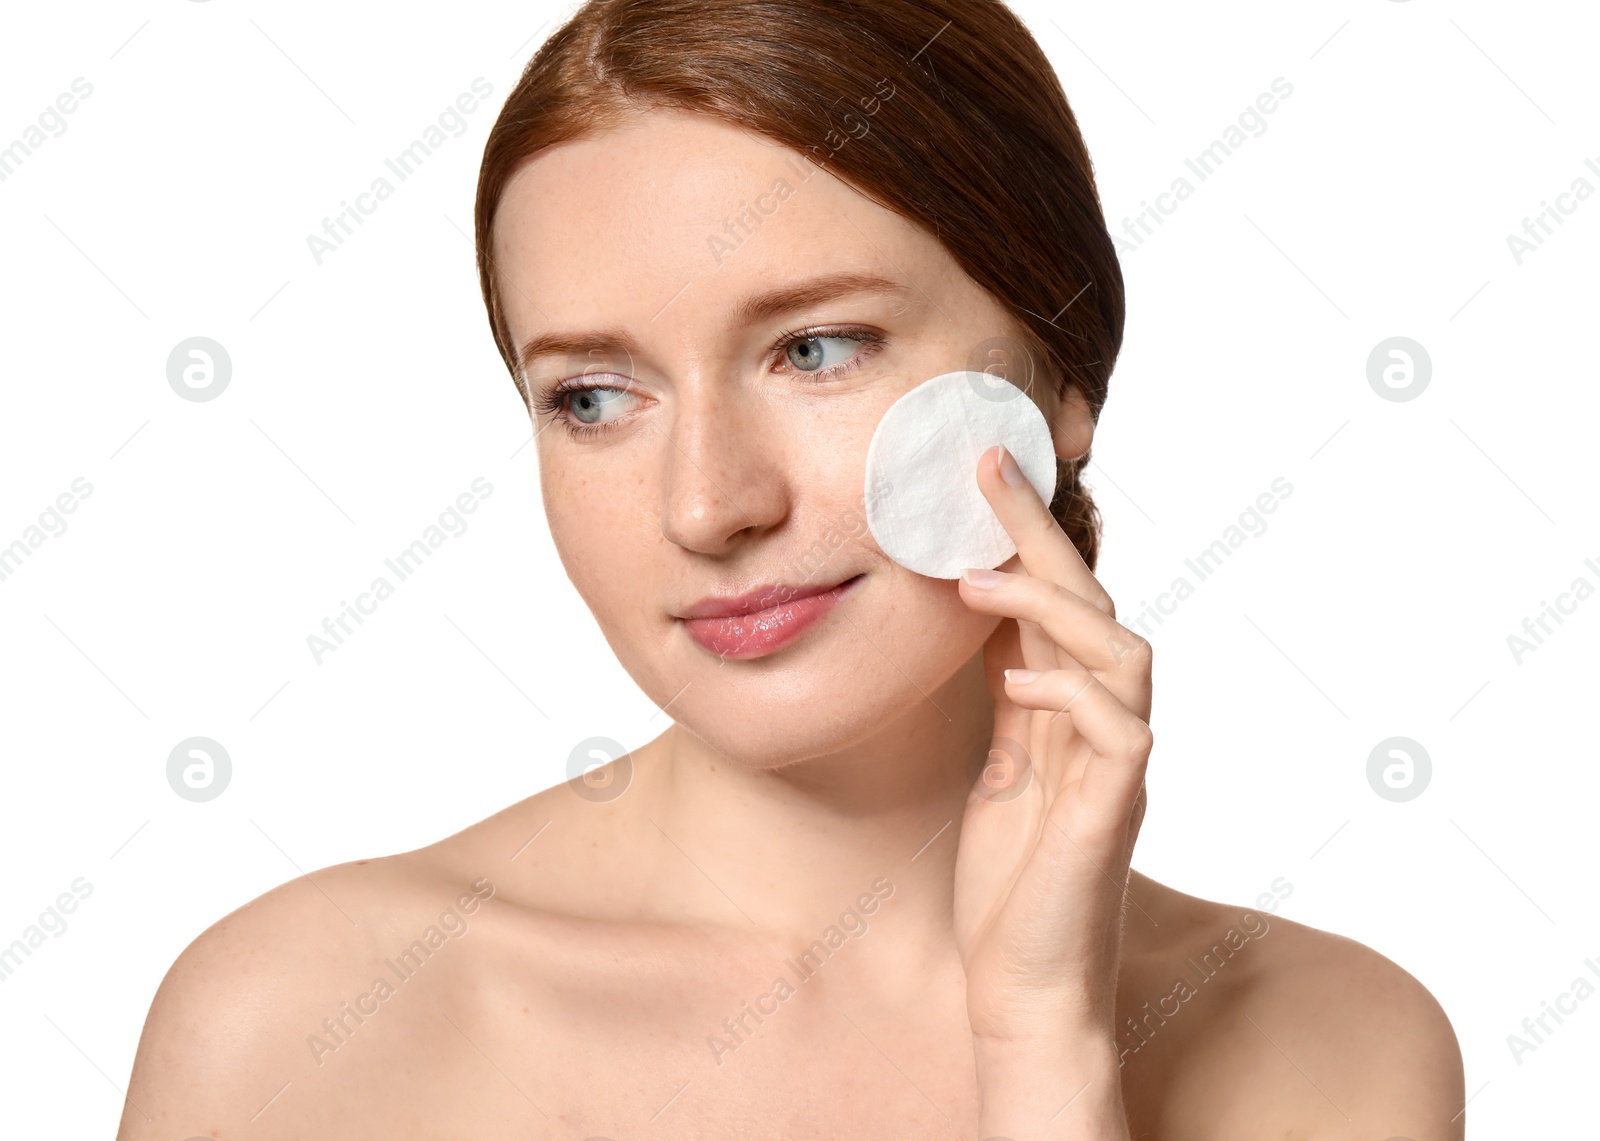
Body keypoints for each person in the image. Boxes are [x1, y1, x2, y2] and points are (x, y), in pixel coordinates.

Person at [119, 1, 1464, 1137]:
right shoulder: (294, 1030)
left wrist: (1045, 1045)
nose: (707, 504)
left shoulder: (1333, 1052)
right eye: (592, 397)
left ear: (1060, 376)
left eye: (816, 349)